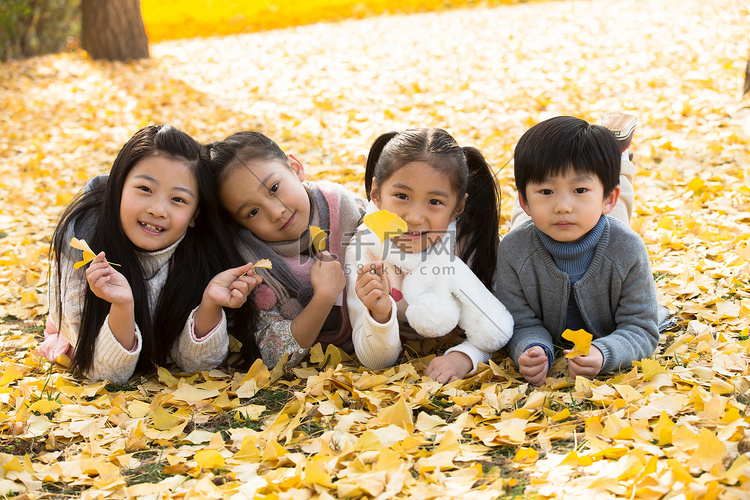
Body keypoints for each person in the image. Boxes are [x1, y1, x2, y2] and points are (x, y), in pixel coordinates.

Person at [43, 125, 261, 385]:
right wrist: (122, 307)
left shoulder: (200, 254)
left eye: (178, 200)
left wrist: (210, 304)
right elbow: (107, 375)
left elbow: (198, 366)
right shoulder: (82, 254)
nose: (158, 210)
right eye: (145, 189)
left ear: (195, 216)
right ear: (118, 187)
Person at [494, 114, 660, 386]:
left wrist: (604, 352)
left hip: (605, 225)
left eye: (579, 189)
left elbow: (641, 328)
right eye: (546, 191)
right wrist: (531, 347)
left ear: (608, 198)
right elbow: (519, 321)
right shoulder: (513, 251)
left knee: (619, 214)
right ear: (523, 200)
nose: (563, 206)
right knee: (522, 227)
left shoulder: (627, 249)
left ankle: (621, 157)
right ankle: (557, 193)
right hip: (533, 229)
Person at [346, 128, 514, 383]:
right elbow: (375, 362)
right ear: (376, 193)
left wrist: (464, 357)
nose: (414, 217)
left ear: (458, 207)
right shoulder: (366, 251)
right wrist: (379, 315)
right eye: (402, 196)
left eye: (434, 201)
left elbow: (493, 326)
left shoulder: (465, 244)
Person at [208, 131, 366, 369]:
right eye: (252, 212)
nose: (275, 212)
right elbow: (273, 354)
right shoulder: (253, 266)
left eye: (273, 188)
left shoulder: (345, 209)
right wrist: (323, 297)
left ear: (295, 168)